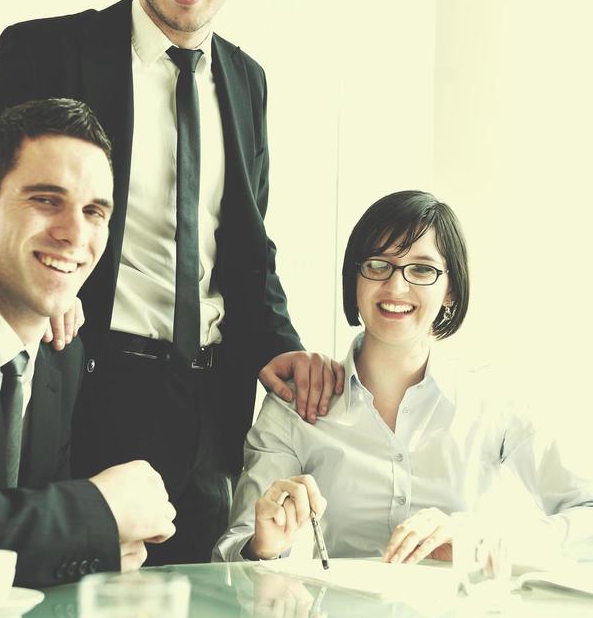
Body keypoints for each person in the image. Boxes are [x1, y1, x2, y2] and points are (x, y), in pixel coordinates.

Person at [0, 0, 342, 564]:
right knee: (77, 602)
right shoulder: (51, 51)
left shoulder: (248, 83)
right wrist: (41, 288)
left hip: (208, 404)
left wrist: (277, 344)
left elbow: (245, 250)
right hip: (88, 377)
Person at [214, 190, 593, 564]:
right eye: (378, 265)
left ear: (451, 290)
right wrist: (262, 549)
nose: (396, 287)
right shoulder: (294, 406)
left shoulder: (493, 402)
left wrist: (478, 542)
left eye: (422, 269)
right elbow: (232, 552)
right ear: (354, 279)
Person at [0, 98, 176, 588]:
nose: (74, 234)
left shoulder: (60, 356)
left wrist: (103, 541)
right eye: (47, 200)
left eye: (94, 212)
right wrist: (95, 516)